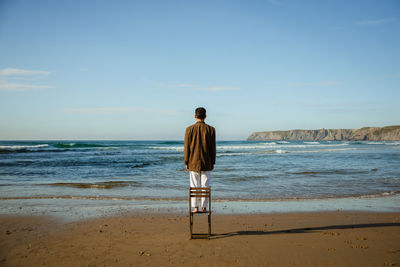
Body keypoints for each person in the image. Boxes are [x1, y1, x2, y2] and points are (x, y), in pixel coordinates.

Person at [184, 107, 216, 213]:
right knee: (205, 185)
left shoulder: (189, 129)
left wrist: (186, 162)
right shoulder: (211, 129)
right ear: (205, 116)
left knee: (194, 185)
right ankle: (204, 207)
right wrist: (213, 162)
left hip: (192, 161)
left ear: (195, 116)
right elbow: (213, 148)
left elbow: (186, 148)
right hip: (206, 161)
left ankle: (195, 207)